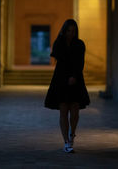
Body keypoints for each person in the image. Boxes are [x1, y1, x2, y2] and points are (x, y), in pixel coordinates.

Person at [44, 19, 90, 153]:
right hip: (61, 79)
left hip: (76, 79)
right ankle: (66, 142)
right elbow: (61, 62)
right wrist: (67, 77)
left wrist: (74, 76)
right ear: (64, 30)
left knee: (75, 110)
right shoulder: (58, 43)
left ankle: (72, 134)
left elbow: (80, 63)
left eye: (74, 31)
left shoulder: (80, 44)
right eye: (69, 30)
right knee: (63, 110)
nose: (71, 33)